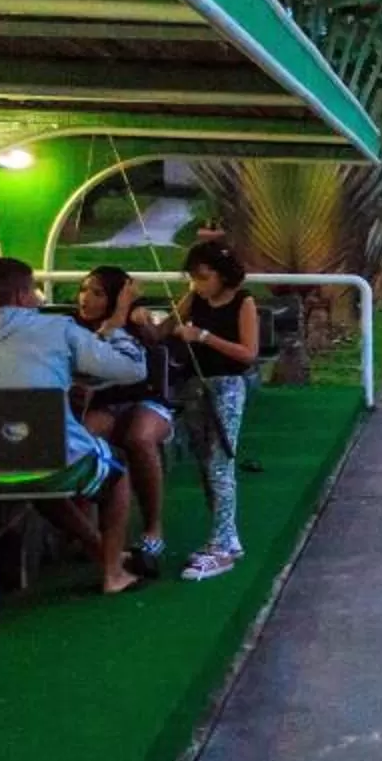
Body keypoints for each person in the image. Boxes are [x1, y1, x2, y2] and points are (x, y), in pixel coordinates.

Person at [0, 258, 147, 595]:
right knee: (117, 475)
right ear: (22, 295)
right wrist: (113, 328)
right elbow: (131, 369)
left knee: (39, 477)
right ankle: (114, 574)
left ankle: (98, 549)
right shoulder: (56, 329)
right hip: (49, 458)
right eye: (34, 290)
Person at [73, 266, 175, 579]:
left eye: (97, 293)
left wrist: (124, 317)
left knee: (140, 437)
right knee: (83, 436)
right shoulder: (72, 328)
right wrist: (112, 321)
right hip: (103, 406)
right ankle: (89, 529)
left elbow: (154, 350)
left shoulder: (134, 323)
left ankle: (153, 527)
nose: (85, 298)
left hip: (143, 401)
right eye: (84, 290)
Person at [168, 242, 262, 581]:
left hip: (226, 387)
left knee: (221, 463)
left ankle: (222, 545)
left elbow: (248, 353)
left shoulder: (243, 301)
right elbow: (167, 327)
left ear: (222, 276)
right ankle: (226, 537)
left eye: (204, 277)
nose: (198, 284)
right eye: (194, 278)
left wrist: (204, 336)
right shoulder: (194, 298)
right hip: (195, 385)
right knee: (206, 464)